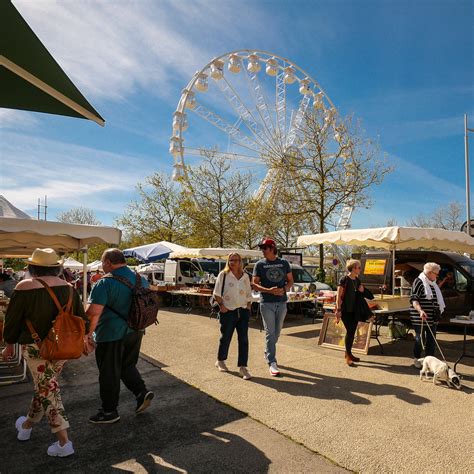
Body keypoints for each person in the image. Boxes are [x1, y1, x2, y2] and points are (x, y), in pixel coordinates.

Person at [1, 248, 87, 457]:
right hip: (63, 347)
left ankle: (64, 442)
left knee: (48, 388)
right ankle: (27, 426)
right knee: (46, 387)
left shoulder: (24, 286)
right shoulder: (69, 288)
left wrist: (9, 344)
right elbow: (81, 319)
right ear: (57, 268)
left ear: (32, 267)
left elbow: (12, 320)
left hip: (35, 348)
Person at [85, 248, 154, 424]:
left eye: (102, 262)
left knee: (109, 372)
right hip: (136, 330)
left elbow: (93, 313)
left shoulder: (105, 282)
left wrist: (87, 335)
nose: (102, 266)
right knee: (127, 365)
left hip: (110, 333)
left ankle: (109, 411)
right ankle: (141, 392)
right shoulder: (141, 280)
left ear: (108, 262)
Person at [252, 238, 293, 376]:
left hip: (282, 301)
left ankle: (268, 350)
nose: (263, 250)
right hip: (266, 302)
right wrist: (269, 291)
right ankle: (272, 362)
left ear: (272, 248)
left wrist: (284, 289)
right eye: (262, 248)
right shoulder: (259, 264)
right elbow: (254, 284)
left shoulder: (284, 263)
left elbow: (290, 281)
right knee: (270, 332)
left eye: (265, 248)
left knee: (277, 331)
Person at [213, 253, 253, 380]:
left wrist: (248, 305)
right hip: (228, 311)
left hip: (242, 311)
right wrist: (221, 306)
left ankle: (243, 367)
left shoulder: (245, 276)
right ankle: (220, 360)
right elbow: (216, 293)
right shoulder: (223, 275)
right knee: (226, 337)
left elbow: (248, 292)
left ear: (240, 262)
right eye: (230, 260)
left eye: (235, 260)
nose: (233, 262)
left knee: (243, 340)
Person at [410, 262, 445, 367]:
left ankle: (430, 361)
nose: (437, 276)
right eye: (436, 274)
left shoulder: (432, 283)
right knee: (420, 338)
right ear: (430, 273)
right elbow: (414, 299)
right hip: (420, 317)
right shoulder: (419, 282)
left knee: (431, 339)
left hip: (432, 317)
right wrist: (420, 310)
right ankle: (417, 358)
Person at [335, 259, 366, 366]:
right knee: (350, 331)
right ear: (353, 268)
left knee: (352, 332)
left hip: (355, 310)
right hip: (345, 310)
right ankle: (348, 355)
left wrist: (362, 290)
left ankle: (348, 353)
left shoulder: (357, 280)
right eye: (359, 267)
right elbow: (339, 296)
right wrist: (338, 310)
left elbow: (360, 294)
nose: (360, 269)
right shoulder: (344, 279)